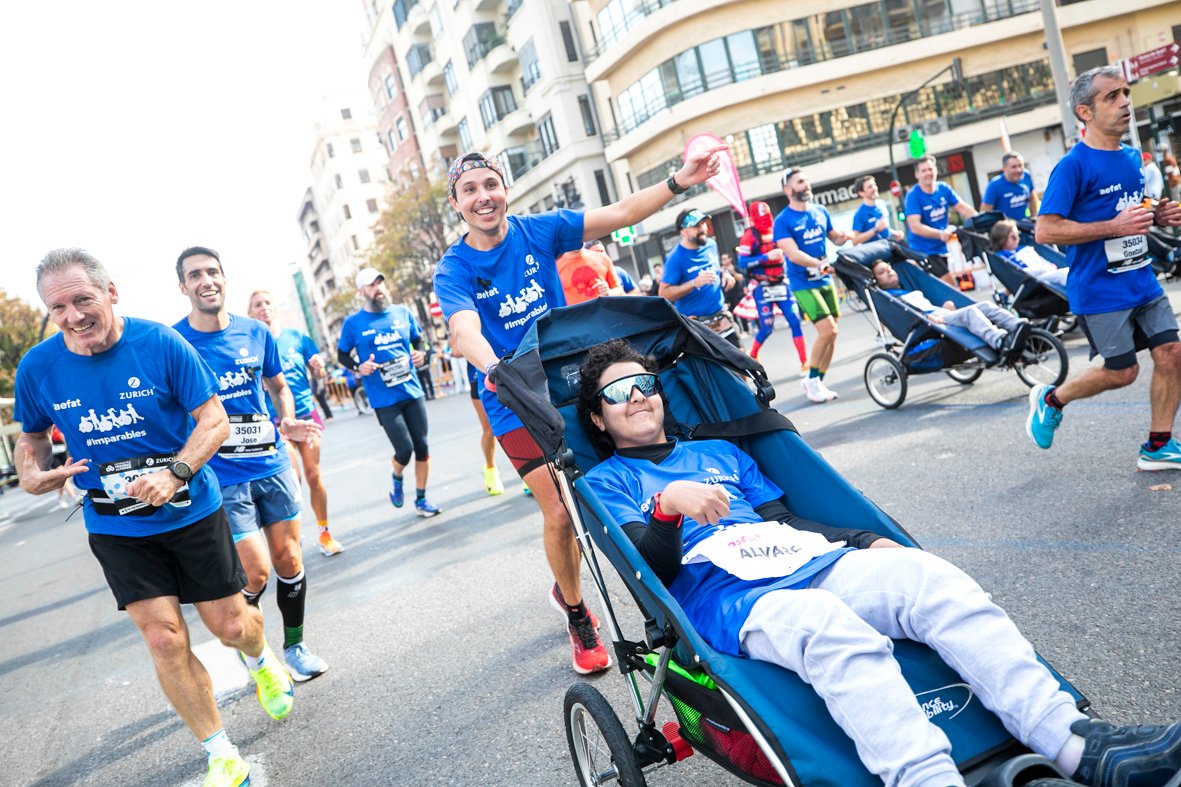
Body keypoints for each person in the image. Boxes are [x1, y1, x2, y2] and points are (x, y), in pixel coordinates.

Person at [577, 337, 1181, 787]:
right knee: (829, 629)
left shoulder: (718, 451)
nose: (637, 397)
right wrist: (665, 506)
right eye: (617, 393)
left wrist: (863, 541)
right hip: (732, 598)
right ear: (599, 419)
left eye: (646, 383)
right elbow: (649, 567)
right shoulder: (610, 480)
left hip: (803, 560)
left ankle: (1076, 745)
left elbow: (787, 522)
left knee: (932, 579)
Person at [433, 143, 726, 675]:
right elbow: (462, 329)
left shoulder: (538, 230)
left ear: (504, 190)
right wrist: (495, 368)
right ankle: (576, 612)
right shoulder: (453, 268)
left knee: (617, 488)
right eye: (470, 190)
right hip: (511, 399)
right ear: (457, 203)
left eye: (490, 185)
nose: (484, 197)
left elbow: (619, 213)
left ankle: (684, 585)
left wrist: (680, 181)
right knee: (563, 512)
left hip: (567, 384)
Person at [15, 248, 295, 787]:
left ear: (111, 293)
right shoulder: (39, 367)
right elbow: (31, 439)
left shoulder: (161, 343)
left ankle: (261, 660)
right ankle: (221, 752)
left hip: (192, 510)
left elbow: (213, 419)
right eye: (58, 308)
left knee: (233, 626)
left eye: (83, 300)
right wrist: (33, 474)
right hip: (117, 524)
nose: (73, 317)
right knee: (164, 639)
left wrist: (176, 473)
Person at [173, 246, 330, 684]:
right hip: (222, 477)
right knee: (256, 570)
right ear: (183, 286)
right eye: (195, 275)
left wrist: (288, 418)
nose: (206, 280)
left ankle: (295, 647)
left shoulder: (256, 333)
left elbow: (277, 385)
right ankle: (256, 652)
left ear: (224, 278)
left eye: (213, 272)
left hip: (271, 464)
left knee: (288, 559)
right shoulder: (176, 342)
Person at [1027, 65, 1181, 469]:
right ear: (1085, 112)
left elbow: (1131, 214)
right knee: (1122, 372)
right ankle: (1051, 398)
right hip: (1099, 288)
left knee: (1171, 352)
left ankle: (1158, 445)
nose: (1125, 102)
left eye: (1125, 93)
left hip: (1141, 279)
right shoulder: (1073, 166)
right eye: (1111, 97)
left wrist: (1158, 216)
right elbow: (1045, 231)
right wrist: (1113, 227)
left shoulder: (1132, 158)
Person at [246, 290, 343, 557]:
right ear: (250, 313)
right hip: (277, 420)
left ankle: (324, 533)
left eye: (268, 302)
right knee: (293, 478)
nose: (264, 308)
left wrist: (318, 368)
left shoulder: (297, 337)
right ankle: (293, 539)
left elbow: (320, 374)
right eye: (257, 305)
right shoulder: (250, 343)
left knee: (314, 475)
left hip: (305, 413)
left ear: (275, 307)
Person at [338, 268, 441, 515]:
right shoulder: (353, 324)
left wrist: (421, 354)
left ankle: (421, 498)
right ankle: (396, 476)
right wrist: (358, 367)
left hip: (411, 390)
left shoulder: (402, 313)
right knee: (404, 450)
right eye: (371, 285)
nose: (378, 288)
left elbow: (420, 341)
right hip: (384, 398)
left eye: (380, 283)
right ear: (362, 291)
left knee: (422, 447)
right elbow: (342, 354)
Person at [774, 168, 854, 403]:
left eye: (807, 180)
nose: (806, 184)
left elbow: (834, 237)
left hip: (825, 279)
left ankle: (817, 381)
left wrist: (845, 236)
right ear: (788, 190)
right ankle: (811, 380)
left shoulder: (820, 211)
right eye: (800, 182)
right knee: (827, 331)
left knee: (833, 334)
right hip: (803, 284)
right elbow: (793, 253)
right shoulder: (783, 221)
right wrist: (818, 264)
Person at [870, 260, 1030, 355]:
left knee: (986, 306)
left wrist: (944, 308)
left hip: (940, 313)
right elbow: (909, 315)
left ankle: (1019, 326)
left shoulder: (904, 290)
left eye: (889, 268)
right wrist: (932, 316)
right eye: (882, 272)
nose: (889, 272)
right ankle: (999, 340)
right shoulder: (889, 298)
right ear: (876, 280)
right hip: (929, 321)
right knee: (971, 312)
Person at [737, 201, 808, 370]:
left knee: (795, 321)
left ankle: (805, 362)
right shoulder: (749, 235)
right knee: (767, 327)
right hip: (762, 287)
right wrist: (765, 257)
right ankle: (753, 353)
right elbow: (742, 262)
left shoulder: (777, 229)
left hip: (782, 283)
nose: (765, 217)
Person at [659, 209, 741, 348]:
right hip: (697, 327)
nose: (703, 229)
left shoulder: (711, 245)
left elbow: (714, 268)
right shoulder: (675, 258)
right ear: (683, 231)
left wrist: (725, 274)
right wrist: (693, 283)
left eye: (704, 224)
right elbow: (664, 293)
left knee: (743, 366)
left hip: (721, 317)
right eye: (697, 226)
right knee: (714, 369)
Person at [905, 155, 978, 283]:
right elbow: (915, 227)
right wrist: (940, 234)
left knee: (944, 290)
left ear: (936, 170)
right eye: (924, 170)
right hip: (923, 250)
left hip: (941, 248)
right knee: (950, 285)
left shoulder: (944, 188)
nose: (928, 173)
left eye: (930, 169)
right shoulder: (913, 196)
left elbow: (962, 208)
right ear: (917, 175)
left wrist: (979, 219)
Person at [988, 219, 1069, 288]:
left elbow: (1040, 260)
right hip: (1032, 280)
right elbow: (1020, 273)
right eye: (1013, 237)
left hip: (1046, 272)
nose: (1017, 239)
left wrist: (1048, 266)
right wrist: (1045, 269)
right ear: (1002, 239)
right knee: (1063, 275)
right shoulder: (1002, 256)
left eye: (1018, 235)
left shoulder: (1024, 248)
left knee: (1069, 271)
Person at [557, 240, 625, 304]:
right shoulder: (556, 267)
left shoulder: (602, 257)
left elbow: (619, 290)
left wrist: (609, 292)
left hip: (604, 312)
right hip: (577, 315)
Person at [980, 152, 1040, 220]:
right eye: (1014, 167)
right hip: (1006, 228)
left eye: (1020, 165)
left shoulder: (1026, 175)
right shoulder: (994, 185)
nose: (1019, 170)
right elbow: (985, 213)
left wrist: (1034, 218)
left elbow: (1033, 198)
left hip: (1025, 225)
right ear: (1004, 168)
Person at [850, 175, 904, 244]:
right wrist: (876, 229)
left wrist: (895, 233)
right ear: (861, 193)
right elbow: (855, 240)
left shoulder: (881, 204)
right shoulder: (859, 214)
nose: (874, 188)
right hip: (873, 252)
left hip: (888, 246)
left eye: (874, 185)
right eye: (870, 187)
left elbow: (883, 227)